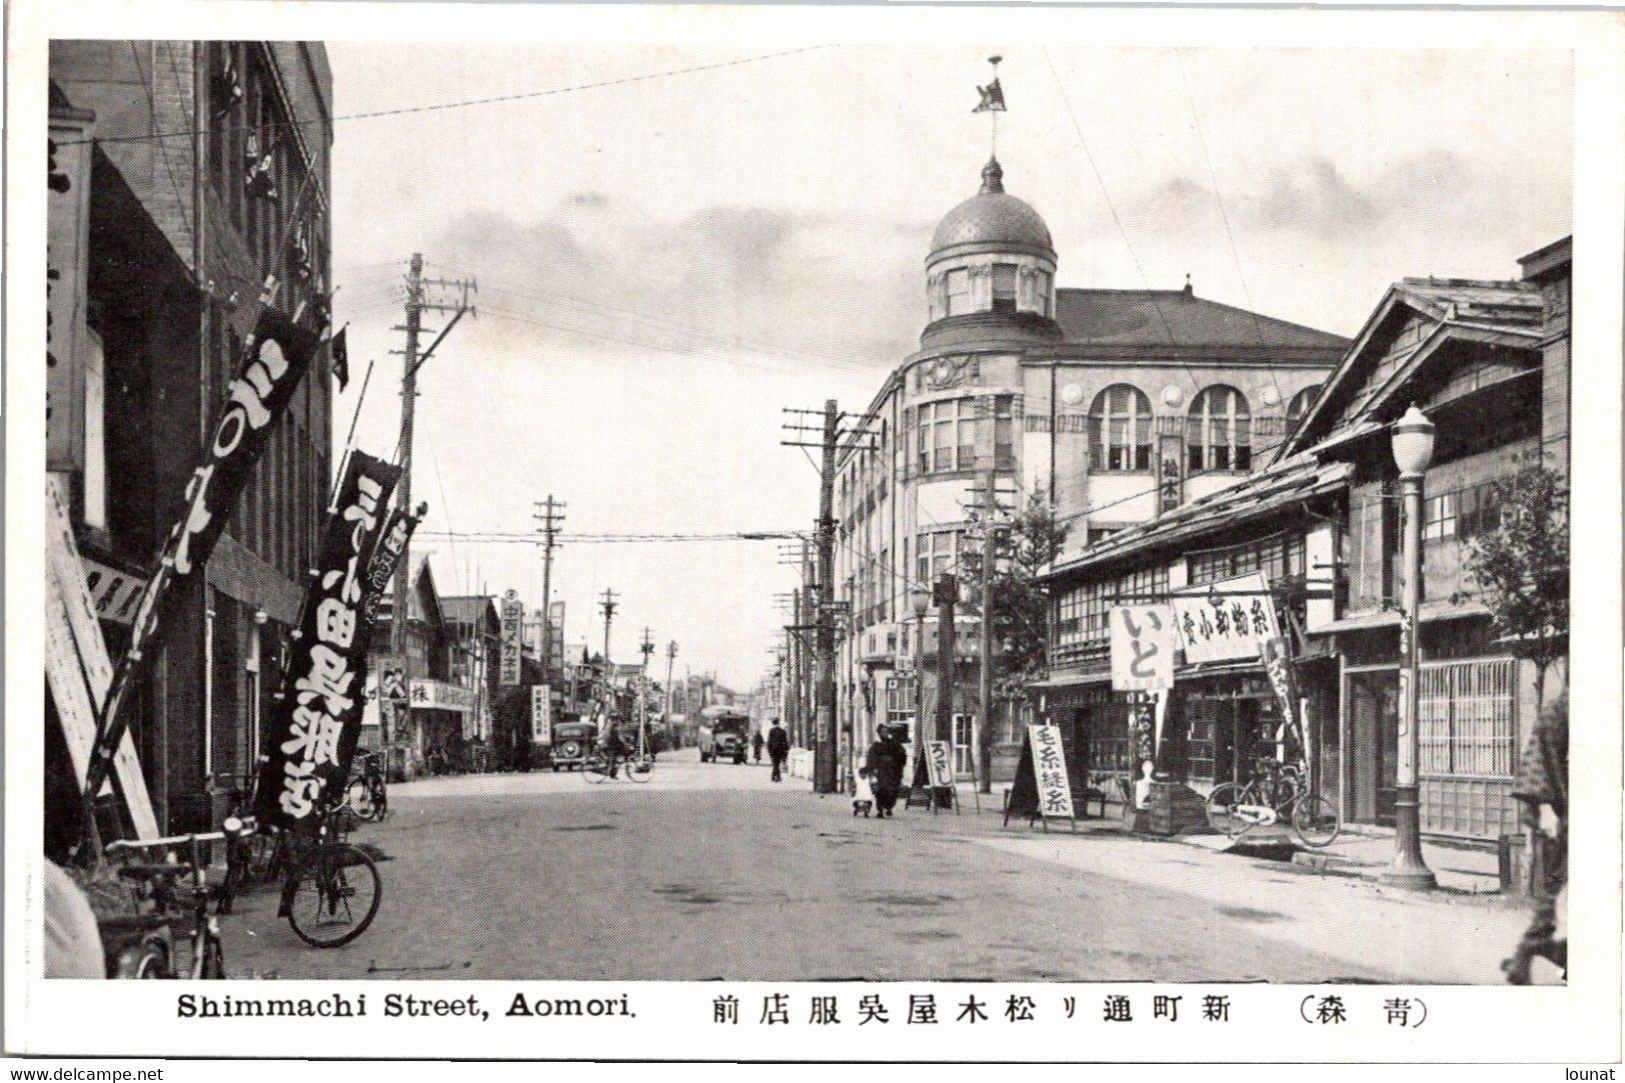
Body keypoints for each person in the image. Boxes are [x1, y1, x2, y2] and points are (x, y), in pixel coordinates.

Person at [1504, 692, 1567, 984]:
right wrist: (1544, 807)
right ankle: (1535, 947)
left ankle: (1537, 950)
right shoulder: (1562, 707)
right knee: (1555, 882)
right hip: (1565, 809)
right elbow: (1541, 756)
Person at [864, 725, 908, 818]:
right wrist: (873, 769)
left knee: (893, 790)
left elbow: (902, 755)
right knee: (880, 790)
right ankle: (880, 809)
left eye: (886, 731)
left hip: (893, 771)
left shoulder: (895, 744)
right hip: (881, 772)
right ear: (879, 733)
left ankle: (889, 807)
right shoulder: (876, 746)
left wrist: (898, 764)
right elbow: (871, 757)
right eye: (882, 731)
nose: (885, 733)